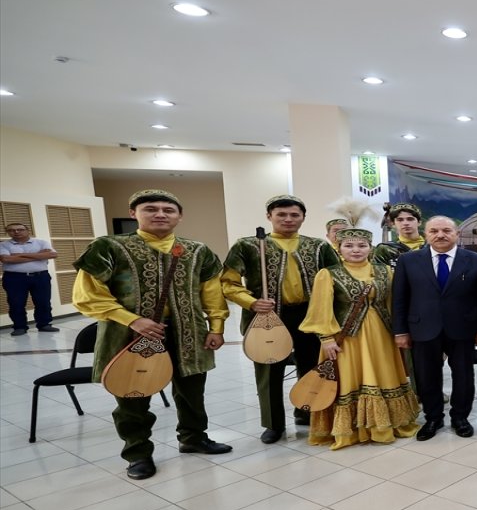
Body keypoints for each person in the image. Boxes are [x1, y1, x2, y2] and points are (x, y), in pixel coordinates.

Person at [71, 189, 231, 480]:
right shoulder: (108, 247)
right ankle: (138, 453)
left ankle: (193, 437)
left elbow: (211, 292)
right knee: (132, 393)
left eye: (168, 210)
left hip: (188, 332)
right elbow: (88, 295)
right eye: (150, 209)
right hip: (128, 334)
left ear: (180, 216)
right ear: (133, 213)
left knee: (192, 390)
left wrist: (217, 327)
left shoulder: (198, 250)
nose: (160, 214)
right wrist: (132, 320)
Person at [223, 195, 339, 443]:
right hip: (267, 316)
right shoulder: (248, 245)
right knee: (269, 370)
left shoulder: (318, 246)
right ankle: (273, 423)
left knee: (311, 366)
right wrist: (251, 302)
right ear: (269, 216)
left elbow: (337, 278)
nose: (288, 219)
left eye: (294, 215)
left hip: (310, 315)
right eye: (281, 215)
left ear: (303, 217)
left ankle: (307, 411)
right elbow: (228, 283)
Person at [300, 228, 420, 450]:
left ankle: (385, 425)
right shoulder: (328, 274)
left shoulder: (385, 271)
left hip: (381, 335)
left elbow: (394, 302)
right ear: (339, 248)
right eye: (349, 246)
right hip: (347, 338)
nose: (356, 250)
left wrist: (401, 330)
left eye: (362, 245)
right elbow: (320, 308)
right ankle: (352, 430)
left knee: (383, 374)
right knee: (350, 379)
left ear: (370, 248)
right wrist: (326, 338)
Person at [393, 215, 477, 440]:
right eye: (434, 231)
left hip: (463, 328)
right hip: (422, 328)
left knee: (464, 376)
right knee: (427, 376)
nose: (440, 235)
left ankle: (460, 417)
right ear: (426, 234)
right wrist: (400, 331)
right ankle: (433, 418)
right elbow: (399, 298)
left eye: (446, 231)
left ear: (457, 234)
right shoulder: (408, 261)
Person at [1, 222, 58, 335]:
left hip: (40, 277)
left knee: (43, 302)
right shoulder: (3, 245)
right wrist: (39, 255)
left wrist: (17, 255)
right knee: (16, 303)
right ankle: (19, 327)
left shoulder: (41, 242)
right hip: (14, 278)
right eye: (11, 230)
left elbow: (53, 255)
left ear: (28, 231)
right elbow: (6, 259)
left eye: (20, 229)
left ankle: (44, 324)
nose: (16, 232)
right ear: (8, 233)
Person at [373, 203, 425, 268]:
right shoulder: (386, 249)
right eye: (400, 220)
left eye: (410, 219)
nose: (405, 223)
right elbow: (380, 273)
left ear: (419, 222)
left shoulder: (431, 246)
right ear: (393, 224)